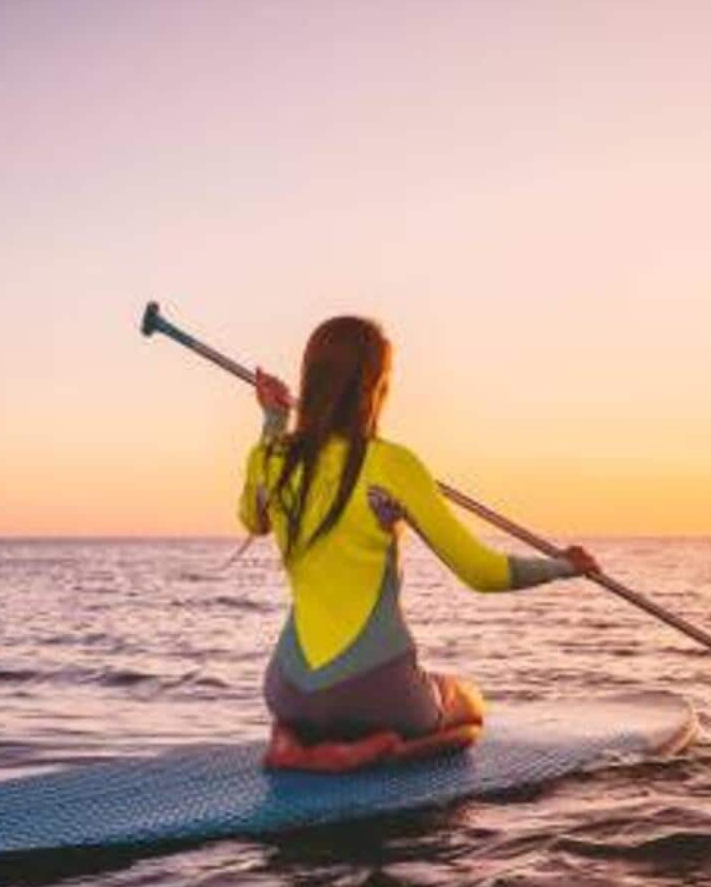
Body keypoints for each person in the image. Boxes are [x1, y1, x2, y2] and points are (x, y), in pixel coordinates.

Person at [240, 316, 598, 772]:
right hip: (376, 691)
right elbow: (481, 572)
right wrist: (561, 565)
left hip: (287, 691)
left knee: (314, 710)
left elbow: (254, 519)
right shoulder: (393, 464)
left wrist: (273, 422)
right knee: (469, 707)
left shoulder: (271, 458)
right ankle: (377, 751)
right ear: (375, 386)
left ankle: (291, 741)